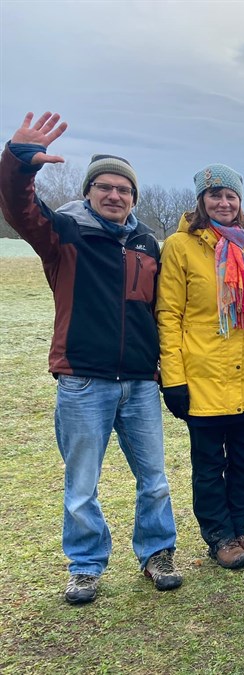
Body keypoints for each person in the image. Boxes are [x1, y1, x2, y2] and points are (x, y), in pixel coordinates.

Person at [0, 112, 181, 604]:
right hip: (83, 380)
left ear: (134, 197)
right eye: (105, 187)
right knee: (82, 484)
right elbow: (18, 207)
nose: (115, 195)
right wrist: (19, 161)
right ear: (89, 191)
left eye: (124, 189)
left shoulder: (147, 244)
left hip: (140, 381)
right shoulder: (63, 233)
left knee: (155, 479)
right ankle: (85, 565)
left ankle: (157, 553)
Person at [157, 163, 244, 570]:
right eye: (215, 195)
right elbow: (169, 315)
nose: (224, 202)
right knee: (210, 464)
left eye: (231, 196)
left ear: (240, 201)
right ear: (202, 200)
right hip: (203, 377)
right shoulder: (180, 247)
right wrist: (173, 379)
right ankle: (219, 535)